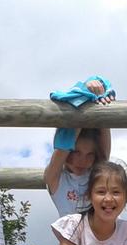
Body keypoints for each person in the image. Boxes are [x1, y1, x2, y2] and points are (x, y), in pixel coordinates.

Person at [44, 77, 115, 216]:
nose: (82, 160)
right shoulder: (56, 178)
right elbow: (64, 144)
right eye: (76, 152)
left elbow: (104, 129)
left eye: (90, 155)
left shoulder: (96, 175)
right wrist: (84, 91)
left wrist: (99, 91)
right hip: (71, 231)